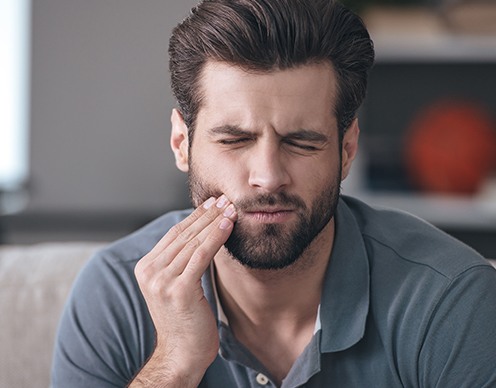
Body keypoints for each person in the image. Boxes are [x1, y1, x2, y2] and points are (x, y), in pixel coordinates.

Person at [51, 0, 496, 386]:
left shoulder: (452, 301)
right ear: (181, 144)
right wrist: (174, 365)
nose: (267, 176)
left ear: (347, 150)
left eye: (302, 142)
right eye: (234, 140)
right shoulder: (114, 293)